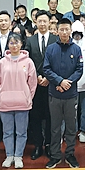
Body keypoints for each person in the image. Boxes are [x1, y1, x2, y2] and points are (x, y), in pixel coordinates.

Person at [43, 18, 83, 169]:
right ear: (57, 31)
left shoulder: (76, 49)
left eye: (67, 29)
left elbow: (79, 70)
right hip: (54, 94)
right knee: (55, 127)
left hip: (71, 95)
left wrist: (67, 83)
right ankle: (55, 155)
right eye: (62, 29)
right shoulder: (51, 49)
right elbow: (46, 69)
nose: (65, 32)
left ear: (71, 30)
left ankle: (70, 154)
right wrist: (59, 82)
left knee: (71, 127)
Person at [0, 33, 37, 169]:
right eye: (11, 43)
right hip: (5, 103)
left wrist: (27, 97)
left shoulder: (28, 62)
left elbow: (32, 83)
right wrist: (0, 96)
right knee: (7, 132)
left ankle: (18, 156)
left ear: (21, 44)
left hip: (22, 104)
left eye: (16, 42)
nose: (14, 45)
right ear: (8, 45)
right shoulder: (2, 62)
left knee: (21, 132)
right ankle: (9, 155)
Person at [25, 10, 58, 160]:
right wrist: (37, 76)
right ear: (36, 22)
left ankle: (49, 145)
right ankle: (38, 145)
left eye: (45, 21)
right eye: (40, 21)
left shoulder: (56, 39)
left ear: (49, 22)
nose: (43, 24)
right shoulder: (30, 40)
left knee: (51, 116)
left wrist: (49, 78)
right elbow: (28, 61)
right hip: (35, 85)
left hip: (52, 85)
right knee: (36, 116)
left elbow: (58, 61)